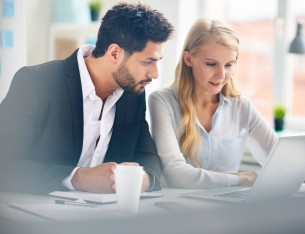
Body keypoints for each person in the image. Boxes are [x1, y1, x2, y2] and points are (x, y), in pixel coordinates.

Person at [0, 3, 174, 194]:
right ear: (114, 53)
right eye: (148, 62)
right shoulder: (36, 83)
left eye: (158, 62)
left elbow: (148, 157)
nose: (155, 74)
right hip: (31, 215)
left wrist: (144, 179)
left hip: (103, 217)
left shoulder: (133, 93)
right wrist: (78, 178)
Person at [148, 18, 277, 188]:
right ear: (188, 59)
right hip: (180, 209)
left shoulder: (241, 107)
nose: (221, 75)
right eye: (211, 64)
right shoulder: (162, 102)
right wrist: (240, 179)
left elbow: (279, 160)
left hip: (228, 208)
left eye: (229, 65)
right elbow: (176, 175)